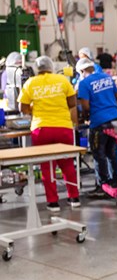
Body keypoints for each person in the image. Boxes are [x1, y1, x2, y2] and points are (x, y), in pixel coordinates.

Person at [17, 56, 80, 212]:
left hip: (41, 128)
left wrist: (35, 108)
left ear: (37, 68)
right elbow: (72, 103)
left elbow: (22, 108)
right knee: (67, 164)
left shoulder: (30, 82)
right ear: (51, 66)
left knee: (47, 166)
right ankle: (74, 198)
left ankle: (53, 202)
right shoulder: (62, 80)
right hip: (63, 127)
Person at [76, 58, 117, 198]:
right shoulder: (107, 77)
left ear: (82, 71)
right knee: (112, 153)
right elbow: (115, 96)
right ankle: (115, 182)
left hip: (99, 122)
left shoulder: (84, 83)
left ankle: (102, 186)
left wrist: (86, 116)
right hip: (114, 120)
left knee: (99, 154)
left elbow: (85, 106)